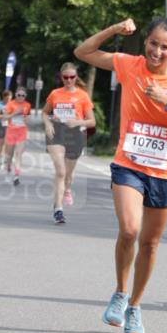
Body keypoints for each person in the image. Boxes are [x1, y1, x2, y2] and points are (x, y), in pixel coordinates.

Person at [74, 17, 167, 333]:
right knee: (130, 230)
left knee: (150, 243)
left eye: (165, 47)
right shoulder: (128, 65)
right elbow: (83, 52)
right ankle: (120, 293)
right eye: (153, 43)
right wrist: (115, 30)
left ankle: (135, 305)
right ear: (145, 41)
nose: (157, 51)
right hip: (129, 163)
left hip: (165, 170)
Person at [42, 63, 96, 224]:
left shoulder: (83, 96)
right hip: (57, 133)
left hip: (75, 135)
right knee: (60, 171)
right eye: (65, 77)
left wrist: (78, 122)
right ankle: (58, 209)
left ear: (76, 77)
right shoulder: (55, 94)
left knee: (68, 174)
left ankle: (67, 188)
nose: (69, 80)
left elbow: (92, 122)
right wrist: (48, 123)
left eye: (72, 77)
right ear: (61, 77)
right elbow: (45, 113)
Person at [0, 88, 31, 185]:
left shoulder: (27, 105)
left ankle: (16, 175)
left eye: (23, 96)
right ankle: (8, 170)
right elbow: (5, 117)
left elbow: (27, 121)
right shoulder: (10, 104)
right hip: (11, 132)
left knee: (18, 154)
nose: (21, 97)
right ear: (16, 95)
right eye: (19, 95)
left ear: (25, 96)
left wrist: (24, 116)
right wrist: (15, 113)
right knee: (9, 155)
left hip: (21, 132)